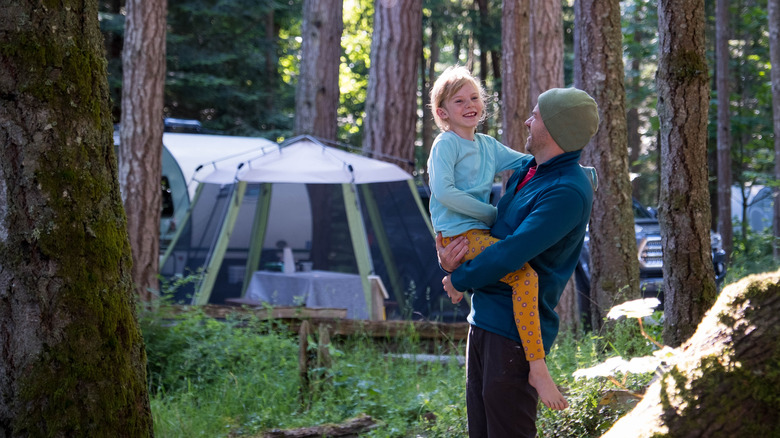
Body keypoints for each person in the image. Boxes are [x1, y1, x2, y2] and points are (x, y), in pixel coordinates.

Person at [438, 87, 599, 437]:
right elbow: (489, 233)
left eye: (536, 115)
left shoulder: (566, 191)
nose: (528, 120)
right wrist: (451, 259)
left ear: (556, 129)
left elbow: (511, 251)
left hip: (514, 333)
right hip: (483, 320)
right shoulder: (531, 169)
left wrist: (459, 279)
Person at [426, 66, 568, 411]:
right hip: (459, 233)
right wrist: (492, 215)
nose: (470, 104)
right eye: (459, 101)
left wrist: (576, 170)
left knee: (511, 275)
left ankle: (458, 284)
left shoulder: (486, 145)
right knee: (525, 278)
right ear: (443, 113)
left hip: (476, 234)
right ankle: (537, 367)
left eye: (474, 97)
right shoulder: (446, 144)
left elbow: (532, 162)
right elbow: (443, 192)